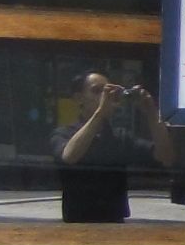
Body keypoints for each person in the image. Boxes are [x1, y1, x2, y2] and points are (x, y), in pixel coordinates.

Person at [51, 71, 176, 224]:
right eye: (97, 91)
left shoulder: (120, 137)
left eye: (108, 92)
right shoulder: (63, 133)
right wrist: (100, 113)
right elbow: (69, 156)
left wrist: (152, 112)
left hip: (114, 224)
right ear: (79, 98)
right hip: (76, 224)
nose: (104, 97)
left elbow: (165, 157)